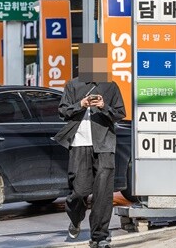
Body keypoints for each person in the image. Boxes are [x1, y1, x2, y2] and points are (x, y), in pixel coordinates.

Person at [54, 43, 126, 248]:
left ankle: (100, 236)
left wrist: (104, 106)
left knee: (103, 193)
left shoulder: (110, 86)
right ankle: (75, 218)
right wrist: (81, 105)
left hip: (104, 144)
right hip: (79, 144)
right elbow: (63, 112)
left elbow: (120, 113)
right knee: (78, 190)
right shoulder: (73, 85)